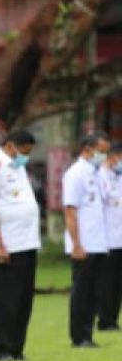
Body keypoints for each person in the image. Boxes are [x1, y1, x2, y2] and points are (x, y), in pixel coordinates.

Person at [0, 130, 40, 361]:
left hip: (27, 243)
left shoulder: (18, 167)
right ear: (11, 146)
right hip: (7, 245)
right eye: (23, 152)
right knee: (5, 300)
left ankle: (16, 347)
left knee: (24, 299)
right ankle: (1, 348)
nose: (26, 157)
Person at [63, 131, 110, 349]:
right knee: (82, 291)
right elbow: (70, 211)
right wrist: (76, 243)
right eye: (100, 151)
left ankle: (88, 334)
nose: (104, 155)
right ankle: (79, 336)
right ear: (87, 150)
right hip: (84, 243)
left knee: (94, 291)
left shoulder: (97, 172)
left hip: (99, 242)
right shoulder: (76, 174)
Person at [98, 142, 122, 331]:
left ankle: (113, 319)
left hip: (120, 237)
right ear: (113, 156)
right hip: (107, 239)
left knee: (118, 283)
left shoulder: (118, 176)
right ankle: (105, 320)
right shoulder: (100, 176)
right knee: (108, 281)